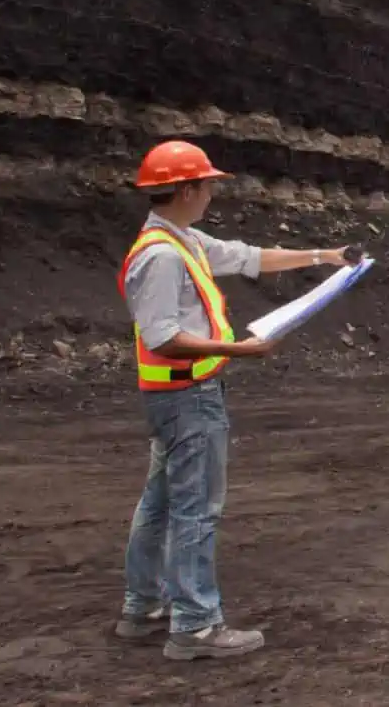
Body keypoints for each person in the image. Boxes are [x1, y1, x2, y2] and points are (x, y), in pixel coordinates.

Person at [112, 139, 359, 662]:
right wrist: (238, 350)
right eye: (206, 185)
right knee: (195, 509)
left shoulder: (183, 241)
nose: (211, 193)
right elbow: (161, 335)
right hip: (187, 396)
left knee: (159, 504)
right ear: (185, 189)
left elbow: (249, 258)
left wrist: (326, 257)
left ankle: (143, 608)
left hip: (177, 394)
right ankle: (196, 626)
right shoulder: (161, 256)